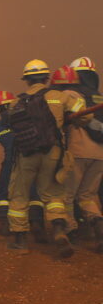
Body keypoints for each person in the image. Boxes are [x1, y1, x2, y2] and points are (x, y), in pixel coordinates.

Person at [5, 60, 85, 256]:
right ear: (47, 77)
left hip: (26, 154)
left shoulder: (17, 101)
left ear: (27, 80)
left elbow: (11, 126)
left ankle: (20, 241)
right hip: (52, 152)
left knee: (19, 195)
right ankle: (59, 230)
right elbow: (85, 115)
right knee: (54, 194)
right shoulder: (59, 96)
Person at [58, 58, 103, 250]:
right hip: (100, 154)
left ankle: (71, 232)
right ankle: (100, 228)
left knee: (67, 194)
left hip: (79, 150)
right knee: (88, 195)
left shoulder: (71, 94)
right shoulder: (99, 97)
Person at [0, 91, 45, 237]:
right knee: (33, 189)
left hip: (10, 162)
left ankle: (4, 223)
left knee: (3, 190)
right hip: (28, 158)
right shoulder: (28, 120)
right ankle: (37, 223)